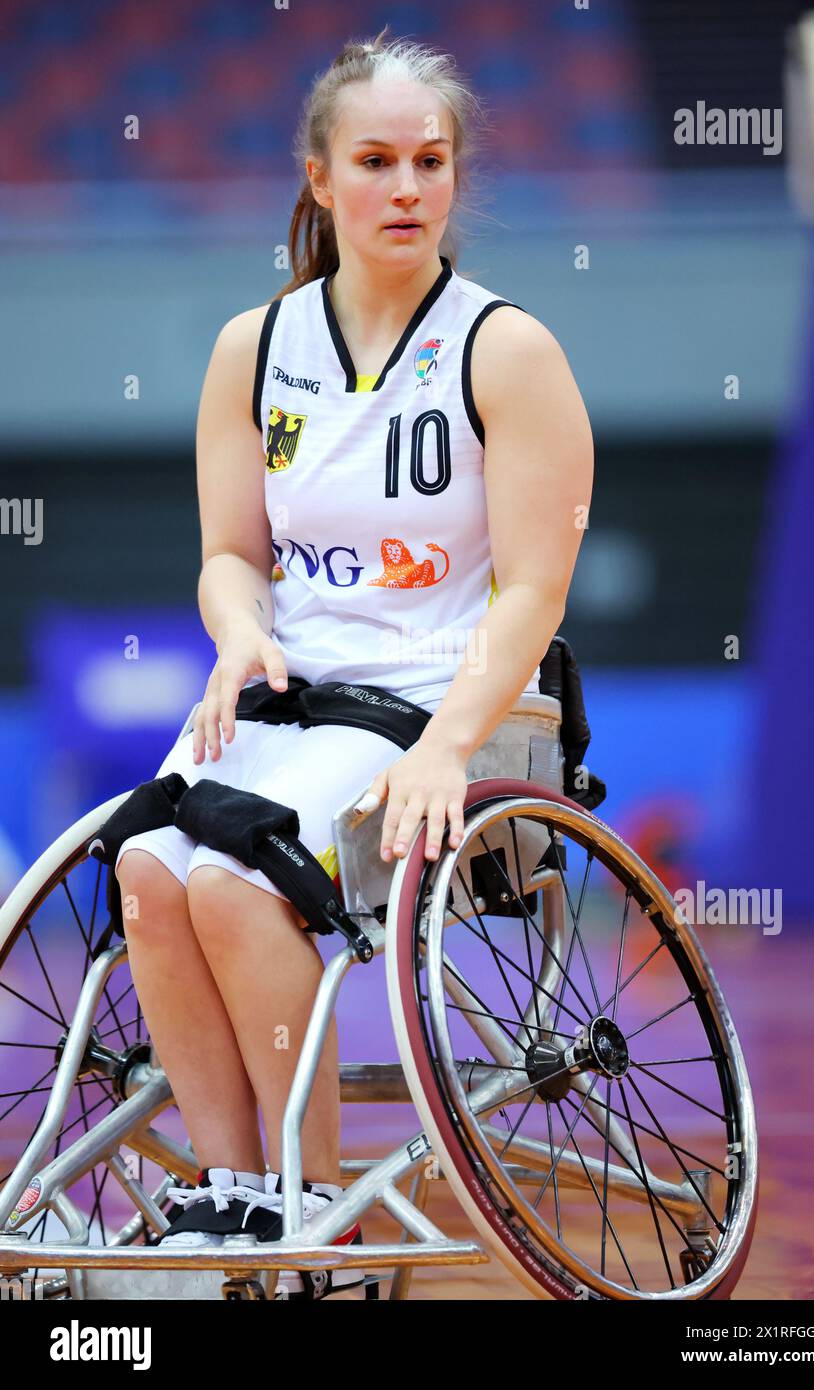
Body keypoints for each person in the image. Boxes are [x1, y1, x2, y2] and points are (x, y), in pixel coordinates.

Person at [113, 29, 593, 1293]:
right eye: (374, 160)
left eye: (429, 161)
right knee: (153, 871)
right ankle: (234, 1192)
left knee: (233, 883)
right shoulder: (252, 348)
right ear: (319, 178)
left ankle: (315, 1206)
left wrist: (446, 743)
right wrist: (241, 626)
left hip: (441, 697)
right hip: (286, 692)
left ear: (454, 177)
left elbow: (537, 586)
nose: (406, 187)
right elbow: (228, 552)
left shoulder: (506, 349)